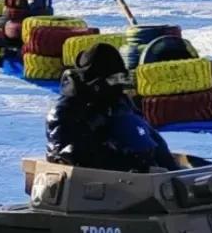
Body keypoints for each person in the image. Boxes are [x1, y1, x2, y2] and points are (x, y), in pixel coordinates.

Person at [46, 43, 176, 172]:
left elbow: (144, 132)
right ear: (95, 81)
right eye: (113, 79)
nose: (118, 84)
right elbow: (69, 153)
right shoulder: (65, 111)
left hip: (136, 172)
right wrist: (128, 163)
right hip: (96, 179)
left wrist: (167, 165)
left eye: (121, 78)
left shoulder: (119, 101)